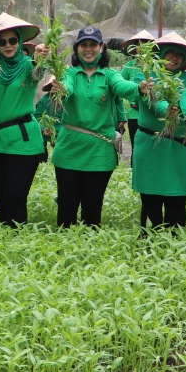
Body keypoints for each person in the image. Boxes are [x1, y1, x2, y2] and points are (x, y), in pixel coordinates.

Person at [49, 25, 143, 227]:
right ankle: (65, 250)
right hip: (69, 149)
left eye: (93, 44)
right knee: (67, 206)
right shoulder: (71, 74)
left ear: (101, 48)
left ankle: (89, 254)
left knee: (93, 207)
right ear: (77, 49)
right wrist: (61, 88)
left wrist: (139, 88)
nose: (88, 49)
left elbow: (123, 88)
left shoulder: (109, 75)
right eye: (84, 44)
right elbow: (68, 89)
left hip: (100, 151)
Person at [0, 13, 46, 226]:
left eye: (13, 40)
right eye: (3, 41)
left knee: (15, 195)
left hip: (22, 140)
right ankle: (8, 235)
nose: (8, 45)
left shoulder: (28, 65)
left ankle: (18, 238)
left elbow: (39, 66)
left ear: (21, 42)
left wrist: (42, 55)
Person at [131, 32, 186, 232]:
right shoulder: (144, 76)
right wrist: (165, 110)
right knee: (150, 199)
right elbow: (151, 97)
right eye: (170, 53)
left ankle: (175, 245)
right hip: (151, 146)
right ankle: (149, 242)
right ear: (160, 55)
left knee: (176, 201)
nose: (174, 58)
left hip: (179, 148)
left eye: (179, 55)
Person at [119, 30, 154, 149]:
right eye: (140, 44)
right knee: (136, 147)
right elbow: (118, 87)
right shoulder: (130, 66)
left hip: (154, 113)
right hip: (135, 114)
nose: (143, 47)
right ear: (135, 47)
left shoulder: (157, 66)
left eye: (147, 43)